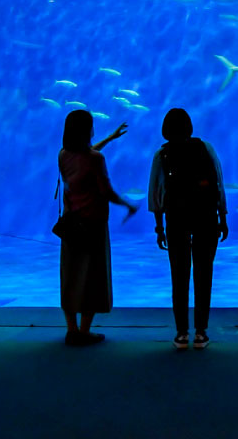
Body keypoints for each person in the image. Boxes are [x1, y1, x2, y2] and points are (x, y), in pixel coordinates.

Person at [148, 108, 228, 350]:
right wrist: (222, 217)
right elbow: (218, 182)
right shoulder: (206, 148)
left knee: (179, 277)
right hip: (206, 217)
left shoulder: (162, 154)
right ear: (190, 127)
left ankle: (182, 333)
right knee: (204, 274)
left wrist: (159, 227)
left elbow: (156, 193)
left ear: (166, 130)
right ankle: (201, 333)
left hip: (176, 219)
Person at [58, 110, 138, 346]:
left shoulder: (63, 155)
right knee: (91, 277)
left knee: (71, 276)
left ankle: (71, 329)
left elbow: (85, 156)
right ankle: (84, 331)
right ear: (87, 130)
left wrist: (110, 139)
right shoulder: (95, 160)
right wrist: (128, 205)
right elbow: (106, 191)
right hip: (92, 224)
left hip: (70, 224)